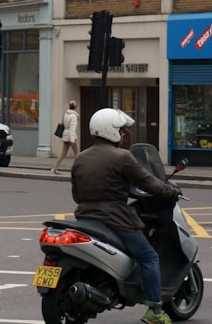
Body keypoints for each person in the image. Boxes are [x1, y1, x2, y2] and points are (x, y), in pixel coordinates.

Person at [71, 108, 180, 324]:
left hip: (84, 217)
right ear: (110, 131)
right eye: (120, 130)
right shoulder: (122, 156)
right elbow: (147, 182)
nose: (122, 135)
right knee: (149, 257)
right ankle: (155, 312)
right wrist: (170, 191)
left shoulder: (80, 157)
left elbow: (76, 195)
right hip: (115, 218)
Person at [53, 100, 81, 175]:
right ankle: (77, 169)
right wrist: (72, 140)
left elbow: (62, 124)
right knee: (77, 154)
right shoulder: (74, 116)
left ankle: (55, 167)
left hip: (65, 135)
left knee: (63, 153)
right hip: (71, 137)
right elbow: (72, 129)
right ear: (75, 107)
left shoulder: (66, 114)